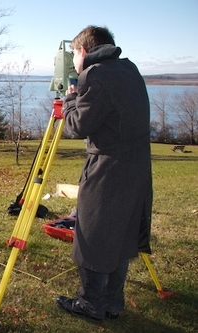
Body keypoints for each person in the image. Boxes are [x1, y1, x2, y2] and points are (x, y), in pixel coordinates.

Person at [56, 26, 153, 322]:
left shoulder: (95, 75)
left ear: (84, 50)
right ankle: (113, 301)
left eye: (73, 53)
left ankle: (91, 303)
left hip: (108, 168)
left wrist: (71, 97)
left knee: (94, 235)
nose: (72, 60)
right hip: (136, 167)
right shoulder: (129, 69)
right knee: (121, 233)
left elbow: (78, 126)